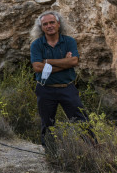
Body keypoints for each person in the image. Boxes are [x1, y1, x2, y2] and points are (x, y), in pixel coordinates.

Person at [30, 11, 90, 146]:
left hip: (67, 88)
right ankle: (50, 152)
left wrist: (47, 61)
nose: (49, 26)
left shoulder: (69, 41)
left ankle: (92, 150)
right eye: (45, 24)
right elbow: (38, 67)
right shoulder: (36, 44)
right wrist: (64, 64)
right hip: (45, 89)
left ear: (58, 24)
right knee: (47, 124)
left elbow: (74, 61)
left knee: (81, 121)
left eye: (52, 22)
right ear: (41, 27)